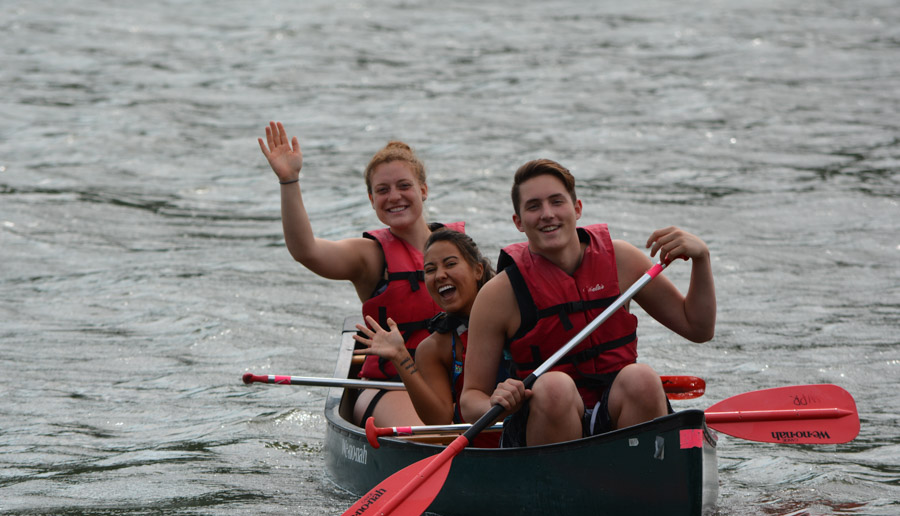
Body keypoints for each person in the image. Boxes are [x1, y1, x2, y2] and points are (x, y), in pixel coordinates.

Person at [459, 158, 716, 447]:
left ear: (577, 208)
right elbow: (470, 401)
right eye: (533, 206)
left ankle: (644, 480)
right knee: (555, 386)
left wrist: (701, 259)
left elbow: (699, 328)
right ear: (518, 222)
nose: (547, 214)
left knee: (641, 378)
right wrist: (499, 402)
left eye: (557, 202)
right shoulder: (498, 295)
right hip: (544, 419)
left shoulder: (622, 260)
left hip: (618, 411)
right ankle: (558, 486)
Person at [258, 122, 463, 427]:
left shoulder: (459, 248)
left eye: (404, 186)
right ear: (371, 200)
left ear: (423, 190)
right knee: (428, 435)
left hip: (455, 382)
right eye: (382, 190)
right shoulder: (370, 256)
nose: (394, 196)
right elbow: (307, 251)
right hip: (391, 386)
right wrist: (290, 181)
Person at [352, 229, 498, 425]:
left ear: (478, 270)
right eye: (430, 270)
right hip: (474, 444)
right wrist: (400, 356)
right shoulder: (432, 348)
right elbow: (439, 420)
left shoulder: (511, 318)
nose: (439, 275)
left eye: (451, 264)